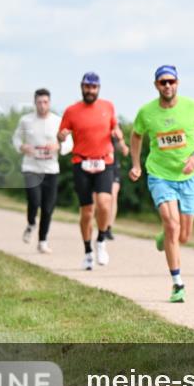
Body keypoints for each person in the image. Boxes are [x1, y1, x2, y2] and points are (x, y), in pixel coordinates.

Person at [129, 65, 194, 303]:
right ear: (156, 85)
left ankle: (164, 238)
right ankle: (177, 284)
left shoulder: (192, 107)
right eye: (163, 82)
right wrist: (135, 164)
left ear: (177, 83)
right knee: (171, 224)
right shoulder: (146, 112)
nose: (167, 86)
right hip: (160, 175)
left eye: (171, 81)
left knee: (183, 235)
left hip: (190, 177)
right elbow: (136, 135)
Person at [58, 72, 118, 270]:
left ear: (98, 88)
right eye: (87, 87)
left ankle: (101, 241)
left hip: (104, 162)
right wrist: (61, 136)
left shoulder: (108, 107)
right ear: (81, 87)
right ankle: (87, 252)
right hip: (81, 163)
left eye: (93, 87)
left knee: (104, 203)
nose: (90, 90)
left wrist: (118, 134)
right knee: (87, 212)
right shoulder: (71, 111)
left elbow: (114, 128)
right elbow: (61, 135)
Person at [13, 88, 69, 253]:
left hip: (51, 169)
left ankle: (43, 241)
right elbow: (16, 138)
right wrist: (22, 146)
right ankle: (31, 223)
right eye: (39, 102)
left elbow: (70, 142)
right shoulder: (26, 120)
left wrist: (59, 146)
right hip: (31, 167)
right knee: (34, 200)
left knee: (48, 208)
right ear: (35, 103)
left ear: (49, 103)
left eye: (45, 102)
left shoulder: (58, 121)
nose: (42, 105)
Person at [96, 129, 129, 240]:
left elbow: (121, 147)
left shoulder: (114, 126)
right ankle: (102, 226)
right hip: (98, 164)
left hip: (113, 166)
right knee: (100, 199)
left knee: (113, 195)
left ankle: (108, 228)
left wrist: (123, 146)